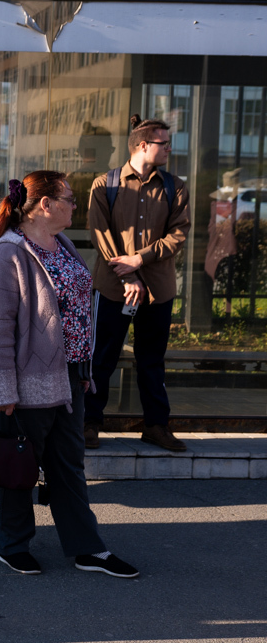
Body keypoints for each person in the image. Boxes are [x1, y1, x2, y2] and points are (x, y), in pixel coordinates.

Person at [0, 171, 139, 579]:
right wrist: (1, 391)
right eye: (68, 198)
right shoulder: (6, 254)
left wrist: (83, 369)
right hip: (25, 383)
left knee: (69, 465)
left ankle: (88, 549)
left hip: (70, 378)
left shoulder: (62, 244)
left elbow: (79, 311)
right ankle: (13, 546)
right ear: (44, 205)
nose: (74, 205)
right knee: (19, 467)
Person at [85, 115, 191, 452]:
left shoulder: (175, 186)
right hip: (114, 287)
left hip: (157, 290)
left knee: (152, 360)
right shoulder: (105, 184)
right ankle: (89, 424)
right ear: (143, 145)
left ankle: (156, 426)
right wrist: (128, 273)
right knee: (101, 358)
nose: (169, 148)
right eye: (163, 143)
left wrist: (140, 259)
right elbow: (100, 234)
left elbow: (179, 235)